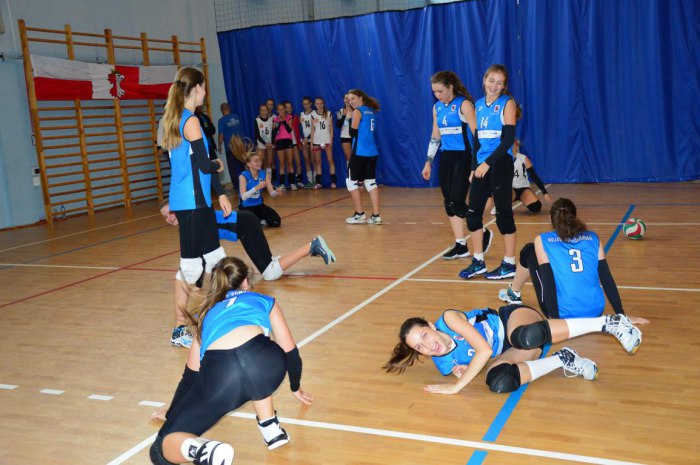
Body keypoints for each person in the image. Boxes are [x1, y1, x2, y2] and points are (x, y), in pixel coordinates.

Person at [149, 257, 314, 465]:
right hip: (267, 364)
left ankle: (203, 450)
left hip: (223, 376)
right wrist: (295, 386)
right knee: (256, 364)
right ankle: (271, 430)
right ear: (245, 281)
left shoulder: (206, 315)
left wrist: (173, 413)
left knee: (160, 449)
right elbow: (291, 352)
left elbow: (190, 377)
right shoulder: (264, 300)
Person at [160, 199, 336, 348]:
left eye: (171, 212)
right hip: (245, 224)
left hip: (245, 225)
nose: (169, 218)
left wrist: (192, 285)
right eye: (165, 217)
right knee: (268, 267)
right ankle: (285, 256)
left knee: (270, 272)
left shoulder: (193, 221)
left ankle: (312, 246)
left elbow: (202, 263)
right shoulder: (190, 223)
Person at [384, 304, 647, 395]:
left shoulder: (449, 319)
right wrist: (470, 369)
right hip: (510, 351)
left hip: (514, 320)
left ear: (431, 326)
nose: (428, 345)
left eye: (425, 335)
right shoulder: (443, 364)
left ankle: (610, 323)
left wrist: (457, 386)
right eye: (420, 347)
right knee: (499, 382)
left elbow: (483, 350)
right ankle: (563, 359)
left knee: (523, 336)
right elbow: (488, 357)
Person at [161, 66, 232, 313]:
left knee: (214, 258)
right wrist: (218, 165)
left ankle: (214, 311)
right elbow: (204, 164)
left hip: (192, 200)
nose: (205, 93)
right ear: (196, 88)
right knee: (191, 266)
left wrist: (220, 193)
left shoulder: (176, 118)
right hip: (192, 201)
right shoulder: (190, 121)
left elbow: (191, 163)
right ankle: (180, 325)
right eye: (204, 87)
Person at [498, 198, 626, 321]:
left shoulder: (543, 240)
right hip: (595, 312)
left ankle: (514, 292)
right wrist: (621, 315)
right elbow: (607, 279)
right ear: (574, 217)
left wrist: (555, 321)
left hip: (563, 314)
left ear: (550, 218)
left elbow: (548, 282)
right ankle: (514, 292)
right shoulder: (593, 237)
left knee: (529, 250)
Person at [422, 71, 494, 260]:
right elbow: (435, 135)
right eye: (434, 92)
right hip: (446, 157)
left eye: (440, 91)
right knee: (449, 203)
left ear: (450, 87)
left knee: (456, 200)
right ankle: (461, 245)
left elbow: (477, 135)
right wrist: (428, 162)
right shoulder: (437, 107)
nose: (437, 95)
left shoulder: (464, 105)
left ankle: (482, 230)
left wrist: (475, 165)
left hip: (464, 157)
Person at [460, 64, 521, 280]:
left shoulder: (508, 103)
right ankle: (478, 261)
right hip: (481, 164)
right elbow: (476, 140)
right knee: (472, 214)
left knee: (503, 214)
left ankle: (509, 263)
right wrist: (473, 167)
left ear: (504, 86)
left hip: (500, 163)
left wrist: (487, 163)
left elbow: (508, 140)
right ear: (484, 80)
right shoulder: (478, 104)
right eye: (491, 80)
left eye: (499, 83)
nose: (494, 86)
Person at [487, 138, 552, 215]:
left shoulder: (523, 158)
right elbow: (493, 178)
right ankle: (499, 205)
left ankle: (522, 197)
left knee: (536, 207)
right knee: (503, 187)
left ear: (517, 146)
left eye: (513, 144)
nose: (511, 146)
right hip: (509, 189)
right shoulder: (501, 159)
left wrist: (544, 192)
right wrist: (489, 196)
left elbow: (534, 176)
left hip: (523, 188)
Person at [345, 89, 381, 224]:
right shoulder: (370, 111)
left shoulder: (358, 111)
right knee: (371, 182)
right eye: (349, 99)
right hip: (372, 152)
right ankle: (376, 216)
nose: (351, 101)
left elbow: (352, 133)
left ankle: (360, 214)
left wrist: (349, 118)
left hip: (359, 152)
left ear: (361, 98)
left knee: (351, 182)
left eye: (353, 98)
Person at [234, 138, 283, 227]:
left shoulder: (264, 174)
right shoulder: (243, 176)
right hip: (246, 206)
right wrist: (256, 188)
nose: (259, 162)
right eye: (255, 161)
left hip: (259, 204)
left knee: (276, 222)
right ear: (249, 164)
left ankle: (260, 219)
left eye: (260, 160)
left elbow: (272, 193)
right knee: (250, 226)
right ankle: (254, 219)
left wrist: (277, 192)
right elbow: (243, 196)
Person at [311, 97, 337, 189]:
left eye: (321, 103)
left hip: (326, 140)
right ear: (315, 104)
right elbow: (312, 129)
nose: (319, 105)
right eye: (317, 103)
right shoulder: (313, 114)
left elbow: (331, 128)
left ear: (323, 104)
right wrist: (312, 142)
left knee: (330, 161)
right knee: (318, 162)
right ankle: (319, 183)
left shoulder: (328, 113)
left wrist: (331, 140)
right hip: (316, 141)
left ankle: (333, 182)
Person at [217, 102, 244, 190]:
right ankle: (245, 183)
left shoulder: (221, 121)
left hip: (230, 147)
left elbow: (221, 135)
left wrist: (219, 146)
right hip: (240, 145)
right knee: (242, 165)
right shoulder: (236, 116)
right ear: (229, 108)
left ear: (221, 110)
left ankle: (236, 186)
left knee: (232, 168)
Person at [272, 103, 296, 190]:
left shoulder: (289, 117)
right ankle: (282, 184)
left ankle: (292, 183)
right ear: (277, 110)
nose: (281, 111)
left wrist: (283, 121)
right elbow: (274, 132)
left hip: (288, 140)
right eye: (279, 109)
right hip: (279, 141)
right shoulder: (275, 119)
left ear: (285, 109)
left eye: (282, 109)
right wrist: (279, 122)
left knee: (290, 162)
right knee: (281, 163)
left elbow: (289, 130)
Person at [284, 101, 305, 189]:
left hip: (295, 143)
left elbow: (299, 130)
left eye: (290, 107)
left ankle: (299, 181)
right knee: (289, 164)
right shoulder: (282, 118)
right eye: (287, 107)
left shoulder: (296, 117)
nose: (289, 109)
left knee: (298, 163)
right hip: (287, 143)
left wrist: (299, 142)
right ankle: (291, 182)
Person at [254, 104, 275, 187]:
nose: (263, 112)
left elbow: (273, 133)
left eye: (265, 110)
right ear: (259, 111)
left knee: (269, 163)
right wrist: (264, 143)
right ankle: (260, 182)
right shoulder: (257, 120)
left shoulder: (271, 120)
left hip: (270, 145)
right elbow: (257, 134)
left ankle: (268, 182)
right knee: (260, 163)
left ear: (268, 111)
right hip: (261, 144)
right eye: (262, 110)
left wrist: (271, 143)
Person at [299, 96, 317, 188]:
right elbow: (300, 127)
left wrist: (308, 138)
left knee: (314, 160)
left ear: (311, 103)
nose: (306, 106)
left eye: (307, 104)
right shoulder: (301, 114)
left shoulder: (314, 113)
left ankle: (316, 181)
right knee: (307, 160)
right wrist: (303, 139)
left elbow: (316, 127)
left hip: (313, 140)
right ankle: (310, 181)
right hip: (304, 141)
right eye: (304, 104)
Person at [336, 94, 354, 164]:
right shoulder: (340, 111)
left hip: (355, 137)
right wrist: (344, 115)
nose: (347, 100)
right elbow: (338, 125)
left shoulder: (356, 111)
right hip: (345, 137)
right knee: (348, 158)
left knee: (357, 158)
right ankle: (350, 171)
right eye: (346, 99)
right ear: (343, 100)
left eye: (349, 99)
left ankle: (358, 171)